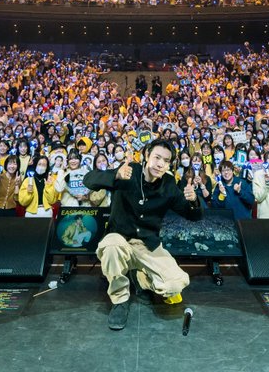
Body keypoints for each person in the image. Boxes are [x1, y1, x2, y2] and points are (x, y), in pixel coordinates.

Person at [83, 139, 202, 331]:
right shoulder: (128, 172)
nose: (160, 164)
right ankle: (120, 300)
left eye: (166, 160)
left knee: (175, 284)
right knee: (111, 246)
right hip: (119, 238)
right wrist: (115, 175)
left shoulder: (169, 185)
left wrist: (194, 200)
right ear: (147, 155)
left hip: (147, 245)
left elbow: (193, 216)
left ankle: (140, 279)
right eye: (157, 157)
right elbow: (88, 180)